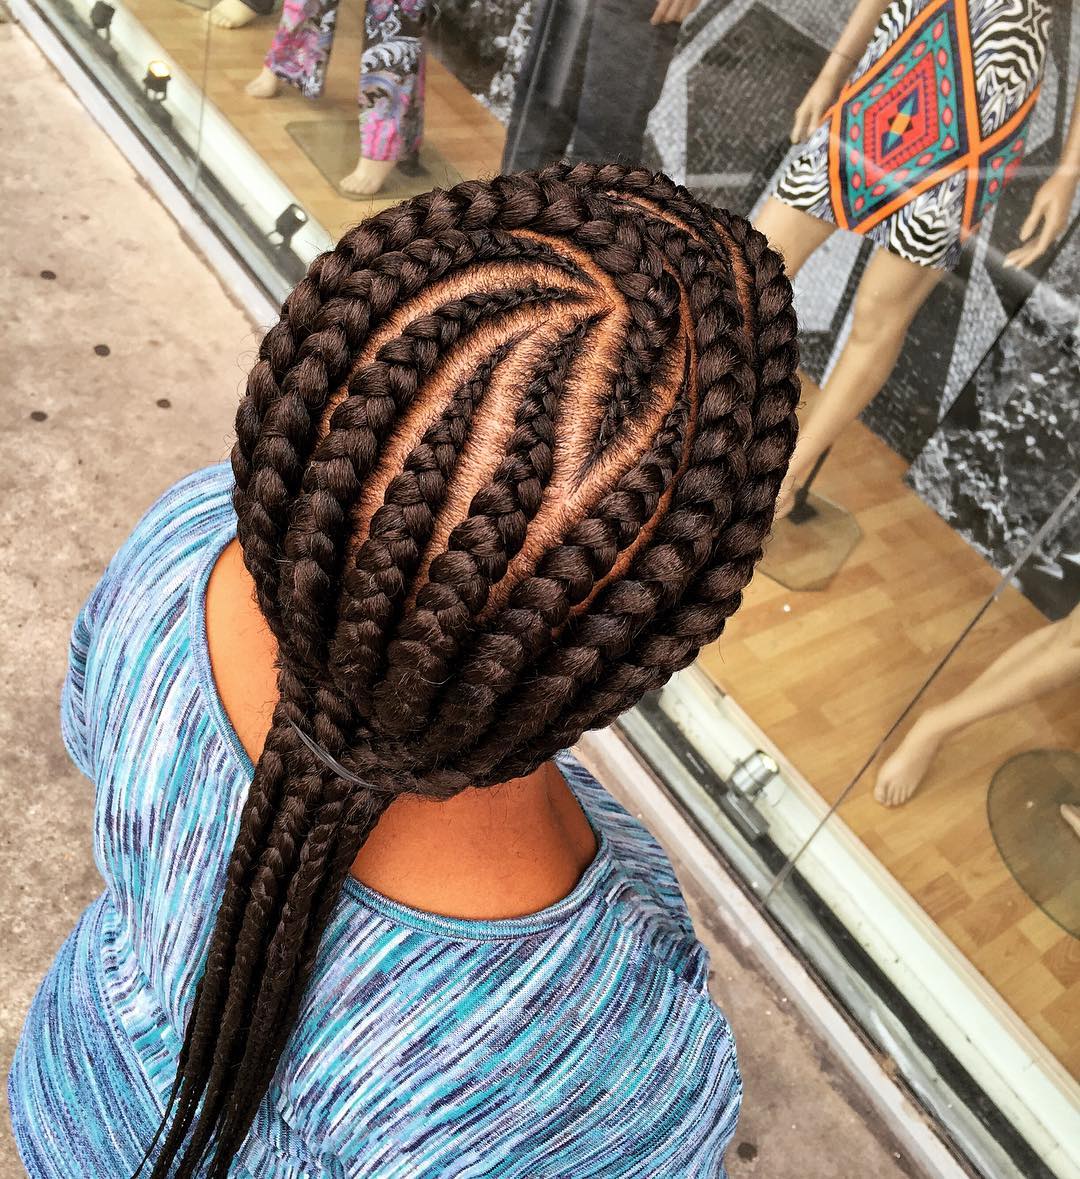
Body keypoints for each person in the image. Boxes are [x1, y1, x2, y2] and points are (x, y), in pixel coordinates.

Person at [7, 163, 801, 1177]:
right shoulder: (609, 1047)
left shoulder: (183, 548)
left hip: (72, 1100)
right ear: (664, 622)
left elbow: (92, 736)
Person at [754, 0, 1075, 518]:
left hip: (985, 99)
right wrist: (835, 68)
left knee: (880, 315)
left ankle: (783, 481)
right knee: (755, 265)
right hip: (895, 61)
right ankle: (694, 410)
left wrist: (1068, 172)